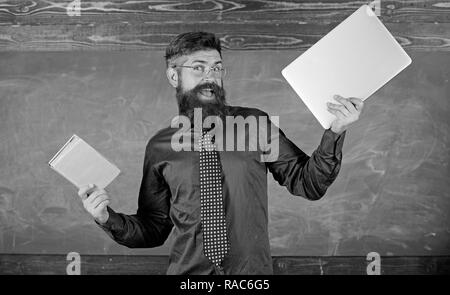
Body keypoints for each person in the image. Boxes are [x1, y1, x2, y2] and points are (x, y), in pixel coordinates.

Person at [78, 31, 364, 275]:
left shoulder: (255, 125)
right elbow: (154, 228)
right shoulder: (160, 146)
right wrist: (106, 217)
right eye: (198, 68)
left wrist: (335, 130)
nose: (210, 77)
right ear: (173, 76)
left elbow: (309, 184)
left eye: (216, 68)